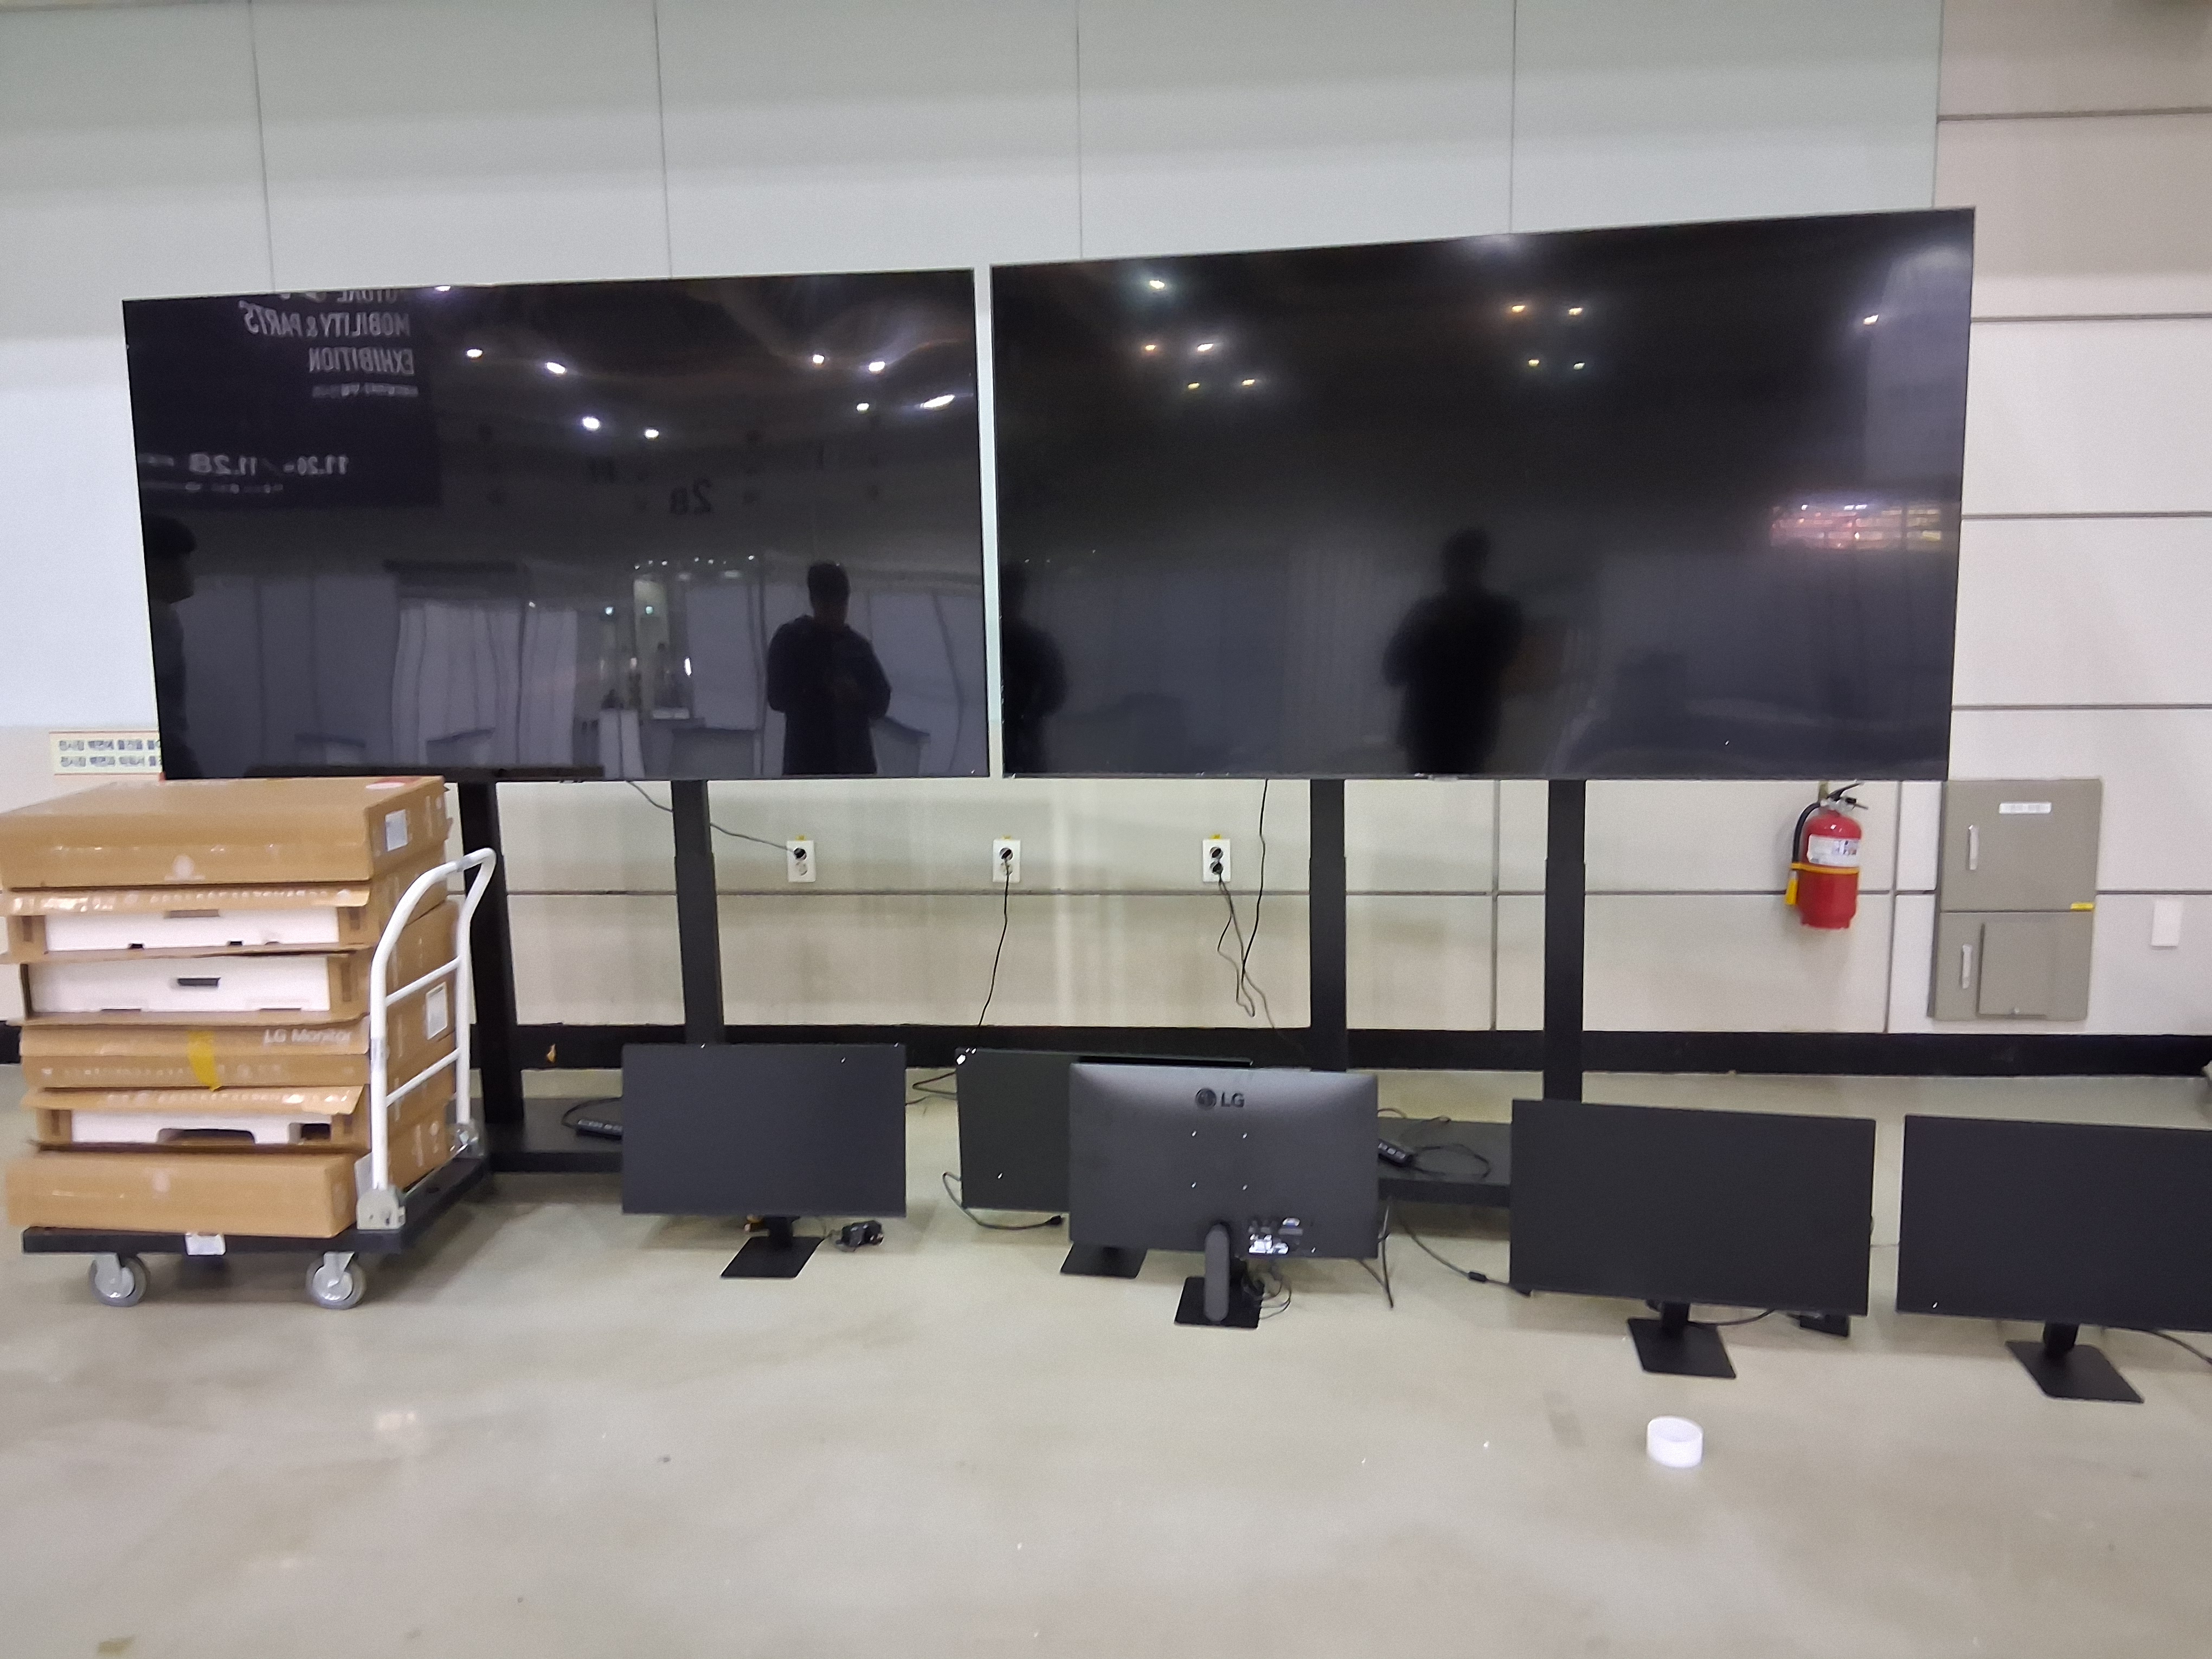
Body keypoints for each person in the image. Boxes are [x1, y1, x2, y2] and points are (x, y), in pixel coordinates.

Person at [1383, 528, 1525, 775]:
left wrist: (1461, 625)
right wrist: (1420, 631)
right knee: (1423, 796)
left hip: (1472, 733)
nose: (1455, 570)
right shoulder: (1424, 612)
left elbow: (1504, 660)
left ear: (1480, 566)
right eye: (1452, 562)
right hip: (1424, 732)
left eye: (1466, 562)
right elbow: (1392, 672)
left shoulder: (1501, 612)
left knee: (1472, 796)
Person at [765, 561, 892, 775]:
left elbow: (881, 701)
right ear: (814, 602)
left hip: (843, 769)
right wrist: (822, 688)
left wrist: (854, 694)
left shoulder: (856, 647)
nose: (836, 613)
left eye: (840, 605)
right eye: (828, 605)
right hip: (813, 768)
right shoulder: (793, 641)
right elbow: (777, 697)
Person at [143, 515, 203, 779]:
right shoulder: (156, 617)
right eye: (180, 563)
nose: (188, 574)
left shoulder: (157, 615)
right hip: (163, 745)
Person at [996, 563, 1066, 774]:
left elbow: (1057, 693)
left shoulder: (1037, 643)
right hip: (993, 747)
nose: (1009, 602)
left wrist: (1030, 712)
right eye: (1006, 594)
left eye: (1014, 595)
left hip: (1026, 746)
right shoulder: (983, 643)